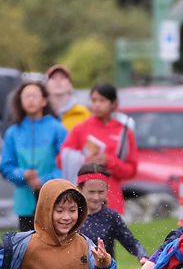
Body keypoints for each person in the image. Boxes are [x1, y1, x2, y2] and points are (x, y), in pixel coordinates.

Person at [59, 83, 139, 216]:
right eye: (94, 100)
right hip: (84, 199)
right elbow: (62, 159)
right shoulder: (81, 129)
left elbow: (131, 170)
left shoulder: (123, 132)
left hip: (112, 198)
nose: (97, 105)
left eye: (102, 100)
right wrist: (85, 162)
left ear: (114, 103)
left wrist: (110, 161)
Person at [0, 81, 68, 231]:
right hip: (25, 202)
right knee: (28, 248)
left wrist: (44, 181)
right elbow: (5, 167)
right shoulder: (13, 132)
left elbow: (66, 164)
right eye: (26, 96)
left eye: (34, 95)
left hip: (55, 201)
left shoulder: (57, 129)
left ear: (44, 100)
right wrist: (23, 174)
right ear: (20, 101)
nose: (30, 99)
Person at [45, 64, 91, 131]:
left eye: (62, 77)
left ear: (70, 85)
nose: (58, 80)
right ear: (46, 86)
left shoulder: (83, 113)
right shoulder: (39, 113)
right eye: (53, 77)